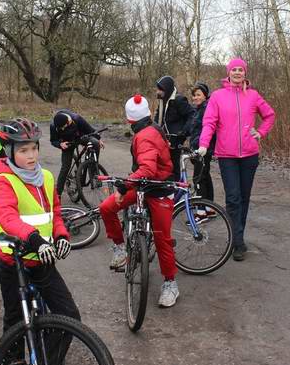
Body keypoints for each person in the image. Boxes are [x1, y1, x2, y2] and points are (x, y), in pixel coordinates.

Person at [0, 118, 78, 365]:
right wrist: (34, 238)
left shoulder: (47, 178)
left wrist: (61, 234)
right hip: (14, 262)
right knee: (15, 325)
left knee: (69, 316)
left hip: (43, 259)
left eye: (34, 149)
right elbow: (8, 217)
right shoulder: (4, 181)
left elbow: (55, 211)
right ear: (9, 151)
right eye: (24, 150)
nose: (31, 156)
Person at [98, 94, 179, 308]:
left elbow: (148, 169)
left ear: (130, 120)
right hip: (144, 186)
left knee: (162, 239)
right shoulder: (153, 128)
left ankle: (171, 283)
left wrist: (124, 186)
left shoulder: (144, 136)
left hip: (160, 189)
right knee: (106, 208)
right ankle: (120, 249)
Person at [197, 58, 275, 261]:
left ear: (245, 73)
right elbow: (209, 122)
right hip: (227, 156)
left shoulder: (253, 95)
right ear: (228, 73)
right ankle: (237, 241)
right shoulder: (217, 96)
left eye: (241, 70)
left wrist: (261, 133)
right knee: (233, 198)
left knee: (244, 197)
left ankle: (238, 235)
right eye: (234, 70)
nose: (238, 73)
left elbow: (269, 115)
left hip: (249, 155)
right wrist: (204, 144)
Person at [152, 75, 195, 182]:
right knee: (164, 166)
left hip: (176, 140)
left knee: (175, 167)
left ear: (166, 89)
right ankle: (167, 189)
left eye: (160, 89)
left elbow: (192, 115)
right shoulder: (163, 101)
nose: (158, 92)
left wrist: (183, 133)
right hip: (164, 140)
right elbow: (158, 120)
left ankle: (176, 190)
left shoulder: (179, 100)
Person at [50, 110, 103, 195]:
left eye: (64, 127)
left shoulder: (76, 118)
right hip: (67, 143)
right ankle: (58, 194)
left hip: (80, 137)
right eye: (61, 128)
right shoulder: (53, 125)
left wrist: (99, 139)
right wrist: (60, 144)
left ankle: (93, 172)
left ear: (69, 121)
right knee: (65, 167)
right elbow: (53, 140)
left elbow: (90, 130)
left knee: (95, 143)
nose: (62, 129)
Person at [189, 82, 215, 201]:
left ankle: (201, 209)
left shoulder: (206, 109)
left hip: (203, 149)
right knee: (205, 176)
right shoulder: (197, 109)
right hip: (198, 148)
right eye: (194, 95)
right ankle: (209, 207)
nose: (195, 98)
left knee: (198, 178)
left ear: (205, 95)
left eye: (199, 95)